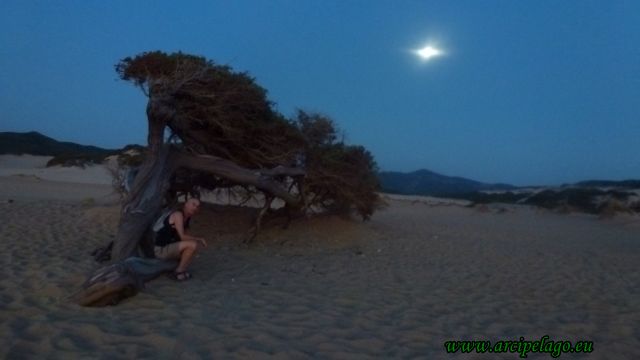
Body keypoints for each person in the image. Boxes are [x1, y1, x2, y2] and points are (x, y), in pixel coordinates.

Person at [154, 198, 207, 281]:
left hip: (170, 246)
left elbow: (182, 237)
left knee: (193, 245)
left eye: (197, 206)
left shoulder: (187, 218)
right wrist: (199, 239)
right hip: (161, 249)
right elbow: (182, 236)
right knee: (192, 244)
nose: (195, 208)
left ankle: (180, 268)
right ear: (186, 204)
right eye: (193, 204)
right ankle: (178, 272)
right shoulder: (178, 215)